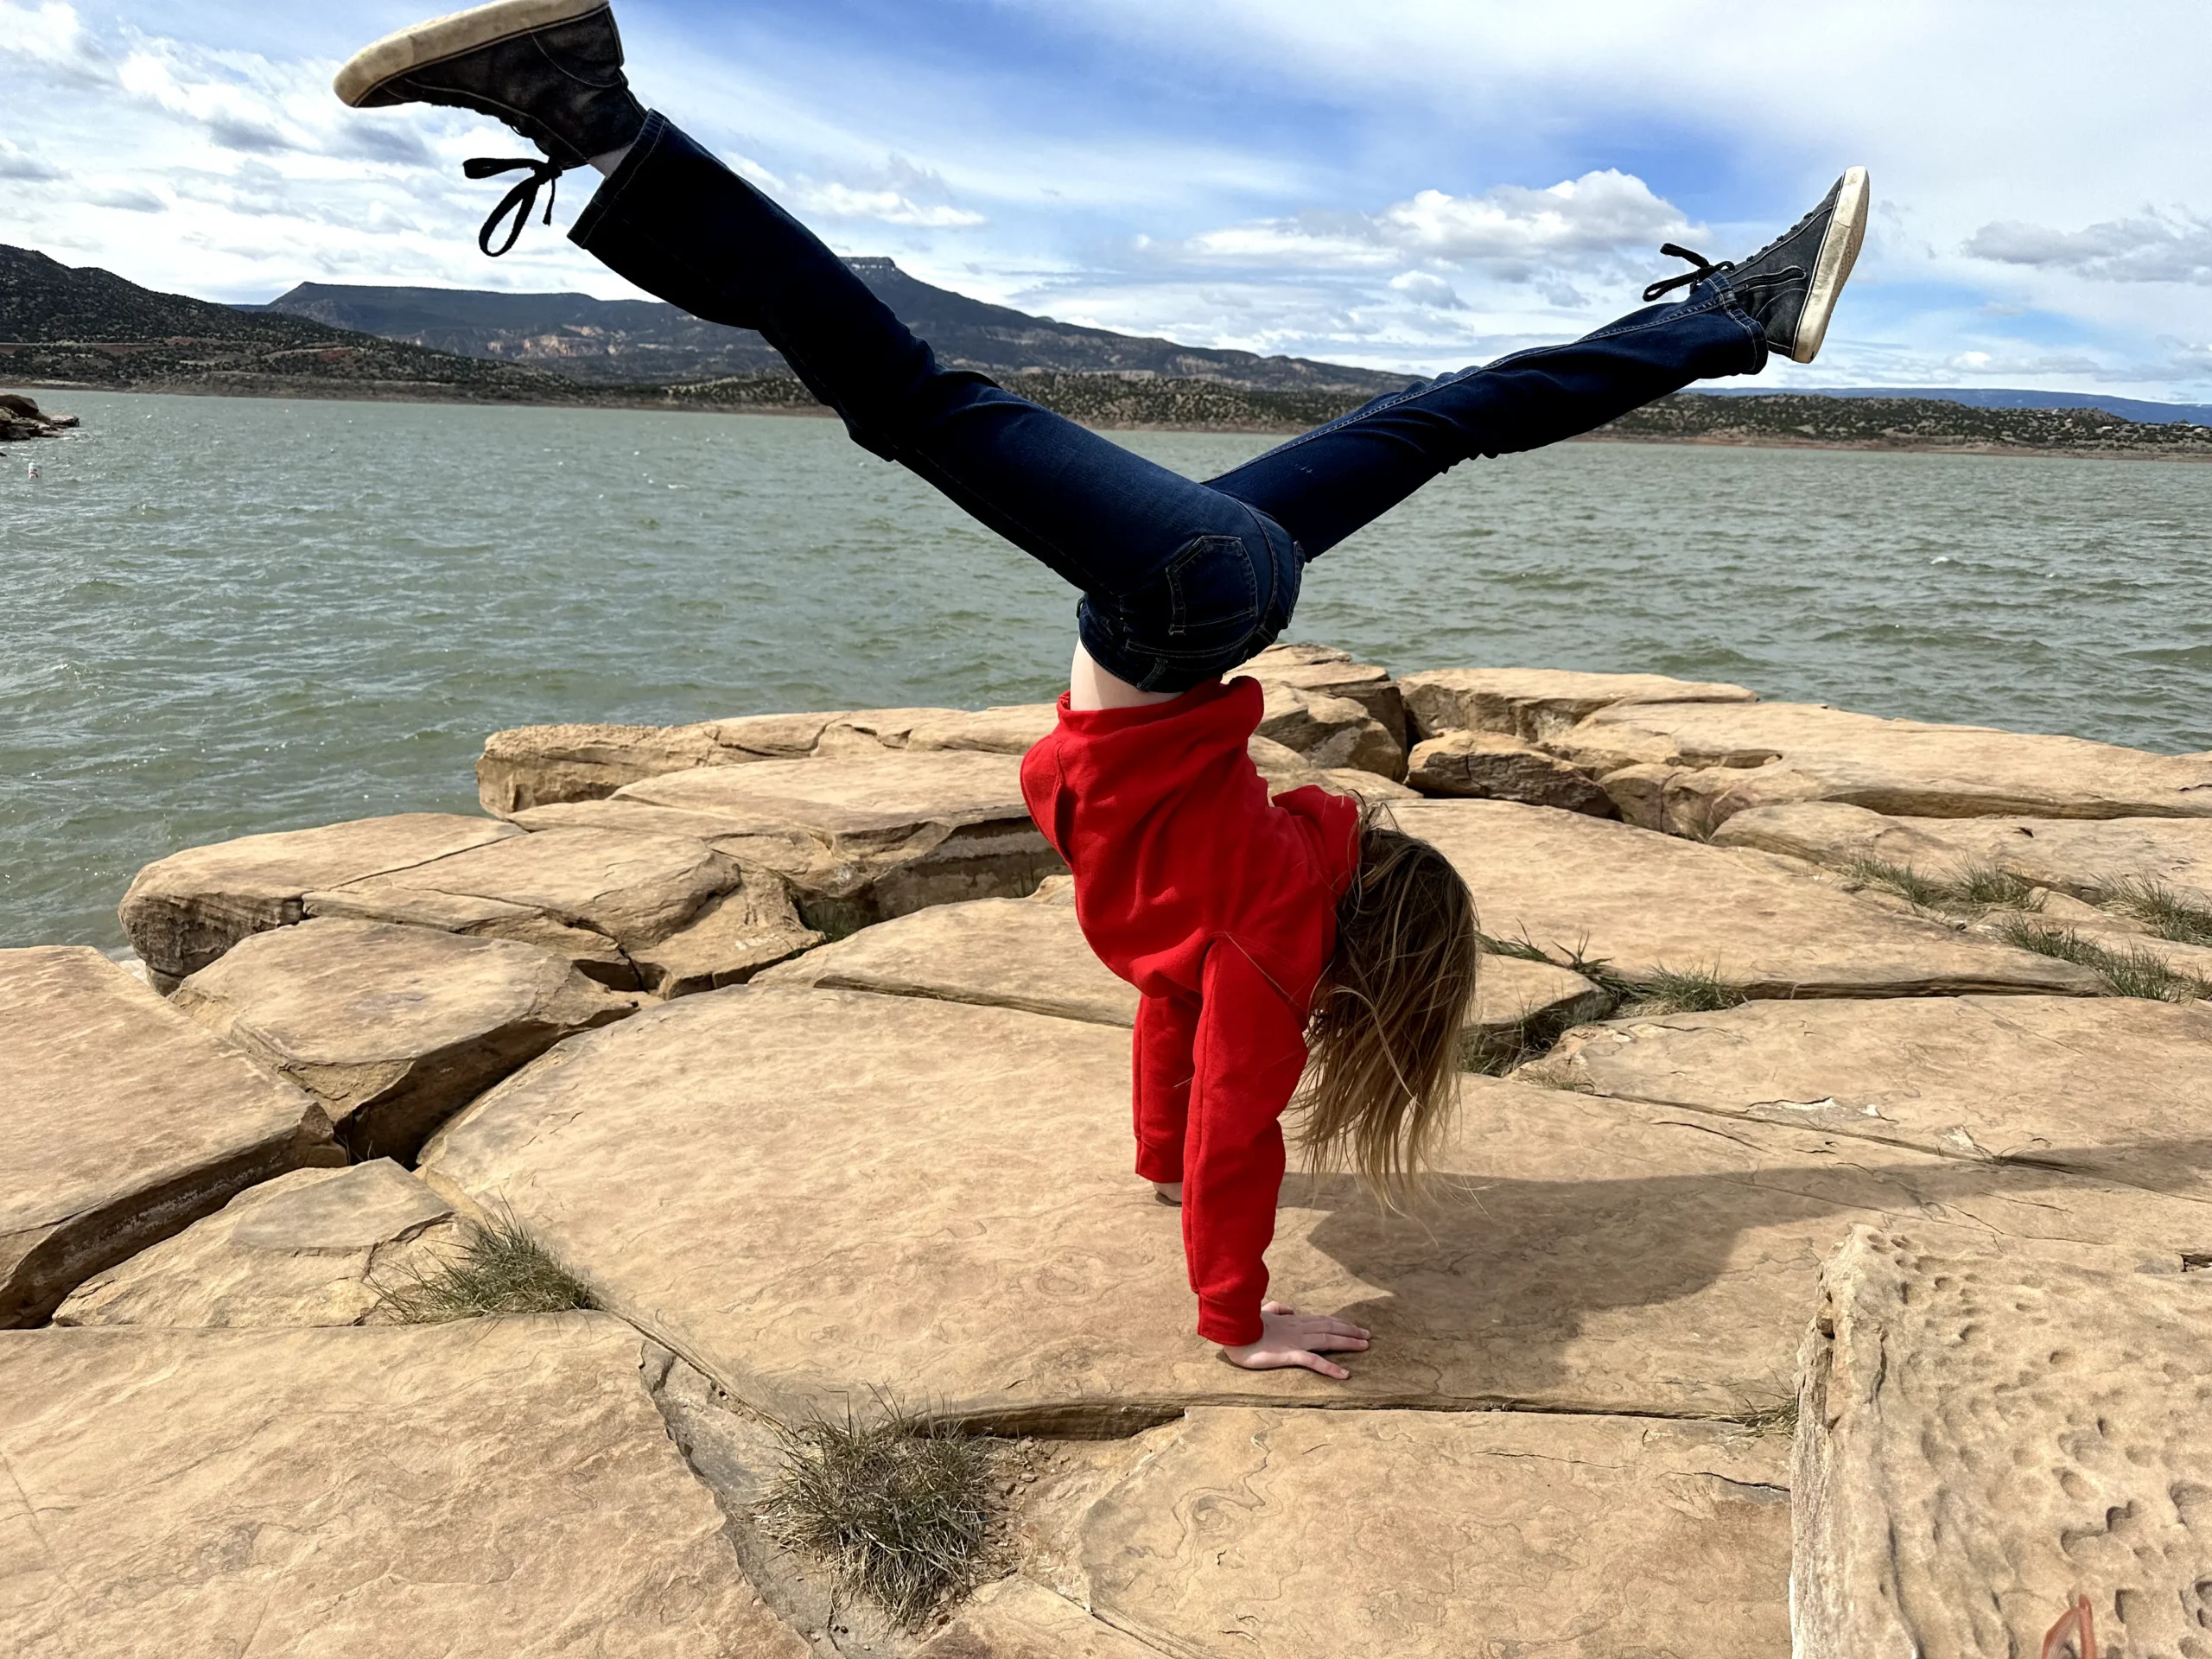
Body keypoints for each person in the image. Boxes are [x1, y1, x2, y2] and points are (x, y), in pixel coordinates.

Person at [336, 0, 1868, 1379]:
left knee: (1431, 421)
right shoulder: (1257, 943)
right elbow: (1239, 1114)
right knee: (911, 396)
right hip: (1181, 602)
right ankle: (589, 109)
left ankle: (1738, 320)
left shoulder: (1240, 922)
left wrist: (1156, 1168)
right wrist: (1233, 1312)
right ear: (1353, 967)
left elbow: (1177, 1057)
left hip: (1217, 596)